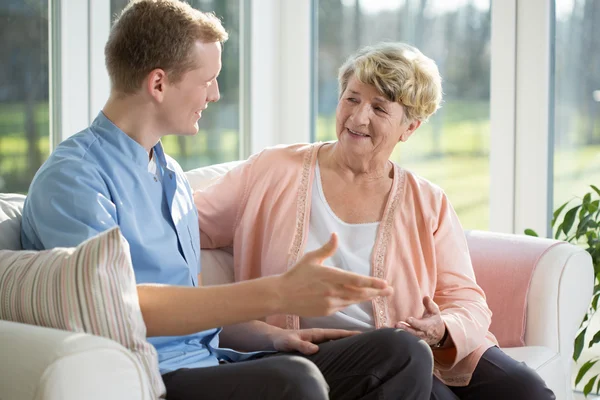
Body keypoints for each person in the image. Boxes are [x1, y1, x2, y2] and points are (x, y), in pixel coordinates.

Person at [20, 1, 434, 399]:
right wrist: (278, 293)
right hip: (154, 375)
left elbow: (191, 311)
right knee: (295, 381)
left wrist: (272, 335)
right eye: (207, 80)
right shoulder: (76, 178)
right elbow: (113, 306)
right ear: (159, 84)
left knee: (401, 354)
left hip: (213, 361)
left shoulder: (170, 177)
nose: (215, 94)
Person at [194, 42, 556, 400]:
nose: (358, 117)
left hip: (415, 349)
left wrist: (442, 328)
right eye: (352, 98)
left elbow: (467, 300)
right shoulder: (272, 170)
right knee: (414, 369)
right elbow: (183, 225)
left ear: (409, 128)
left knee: (528, 391)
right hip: (317, 353)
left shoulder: (427, 200)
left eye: (379, 108)